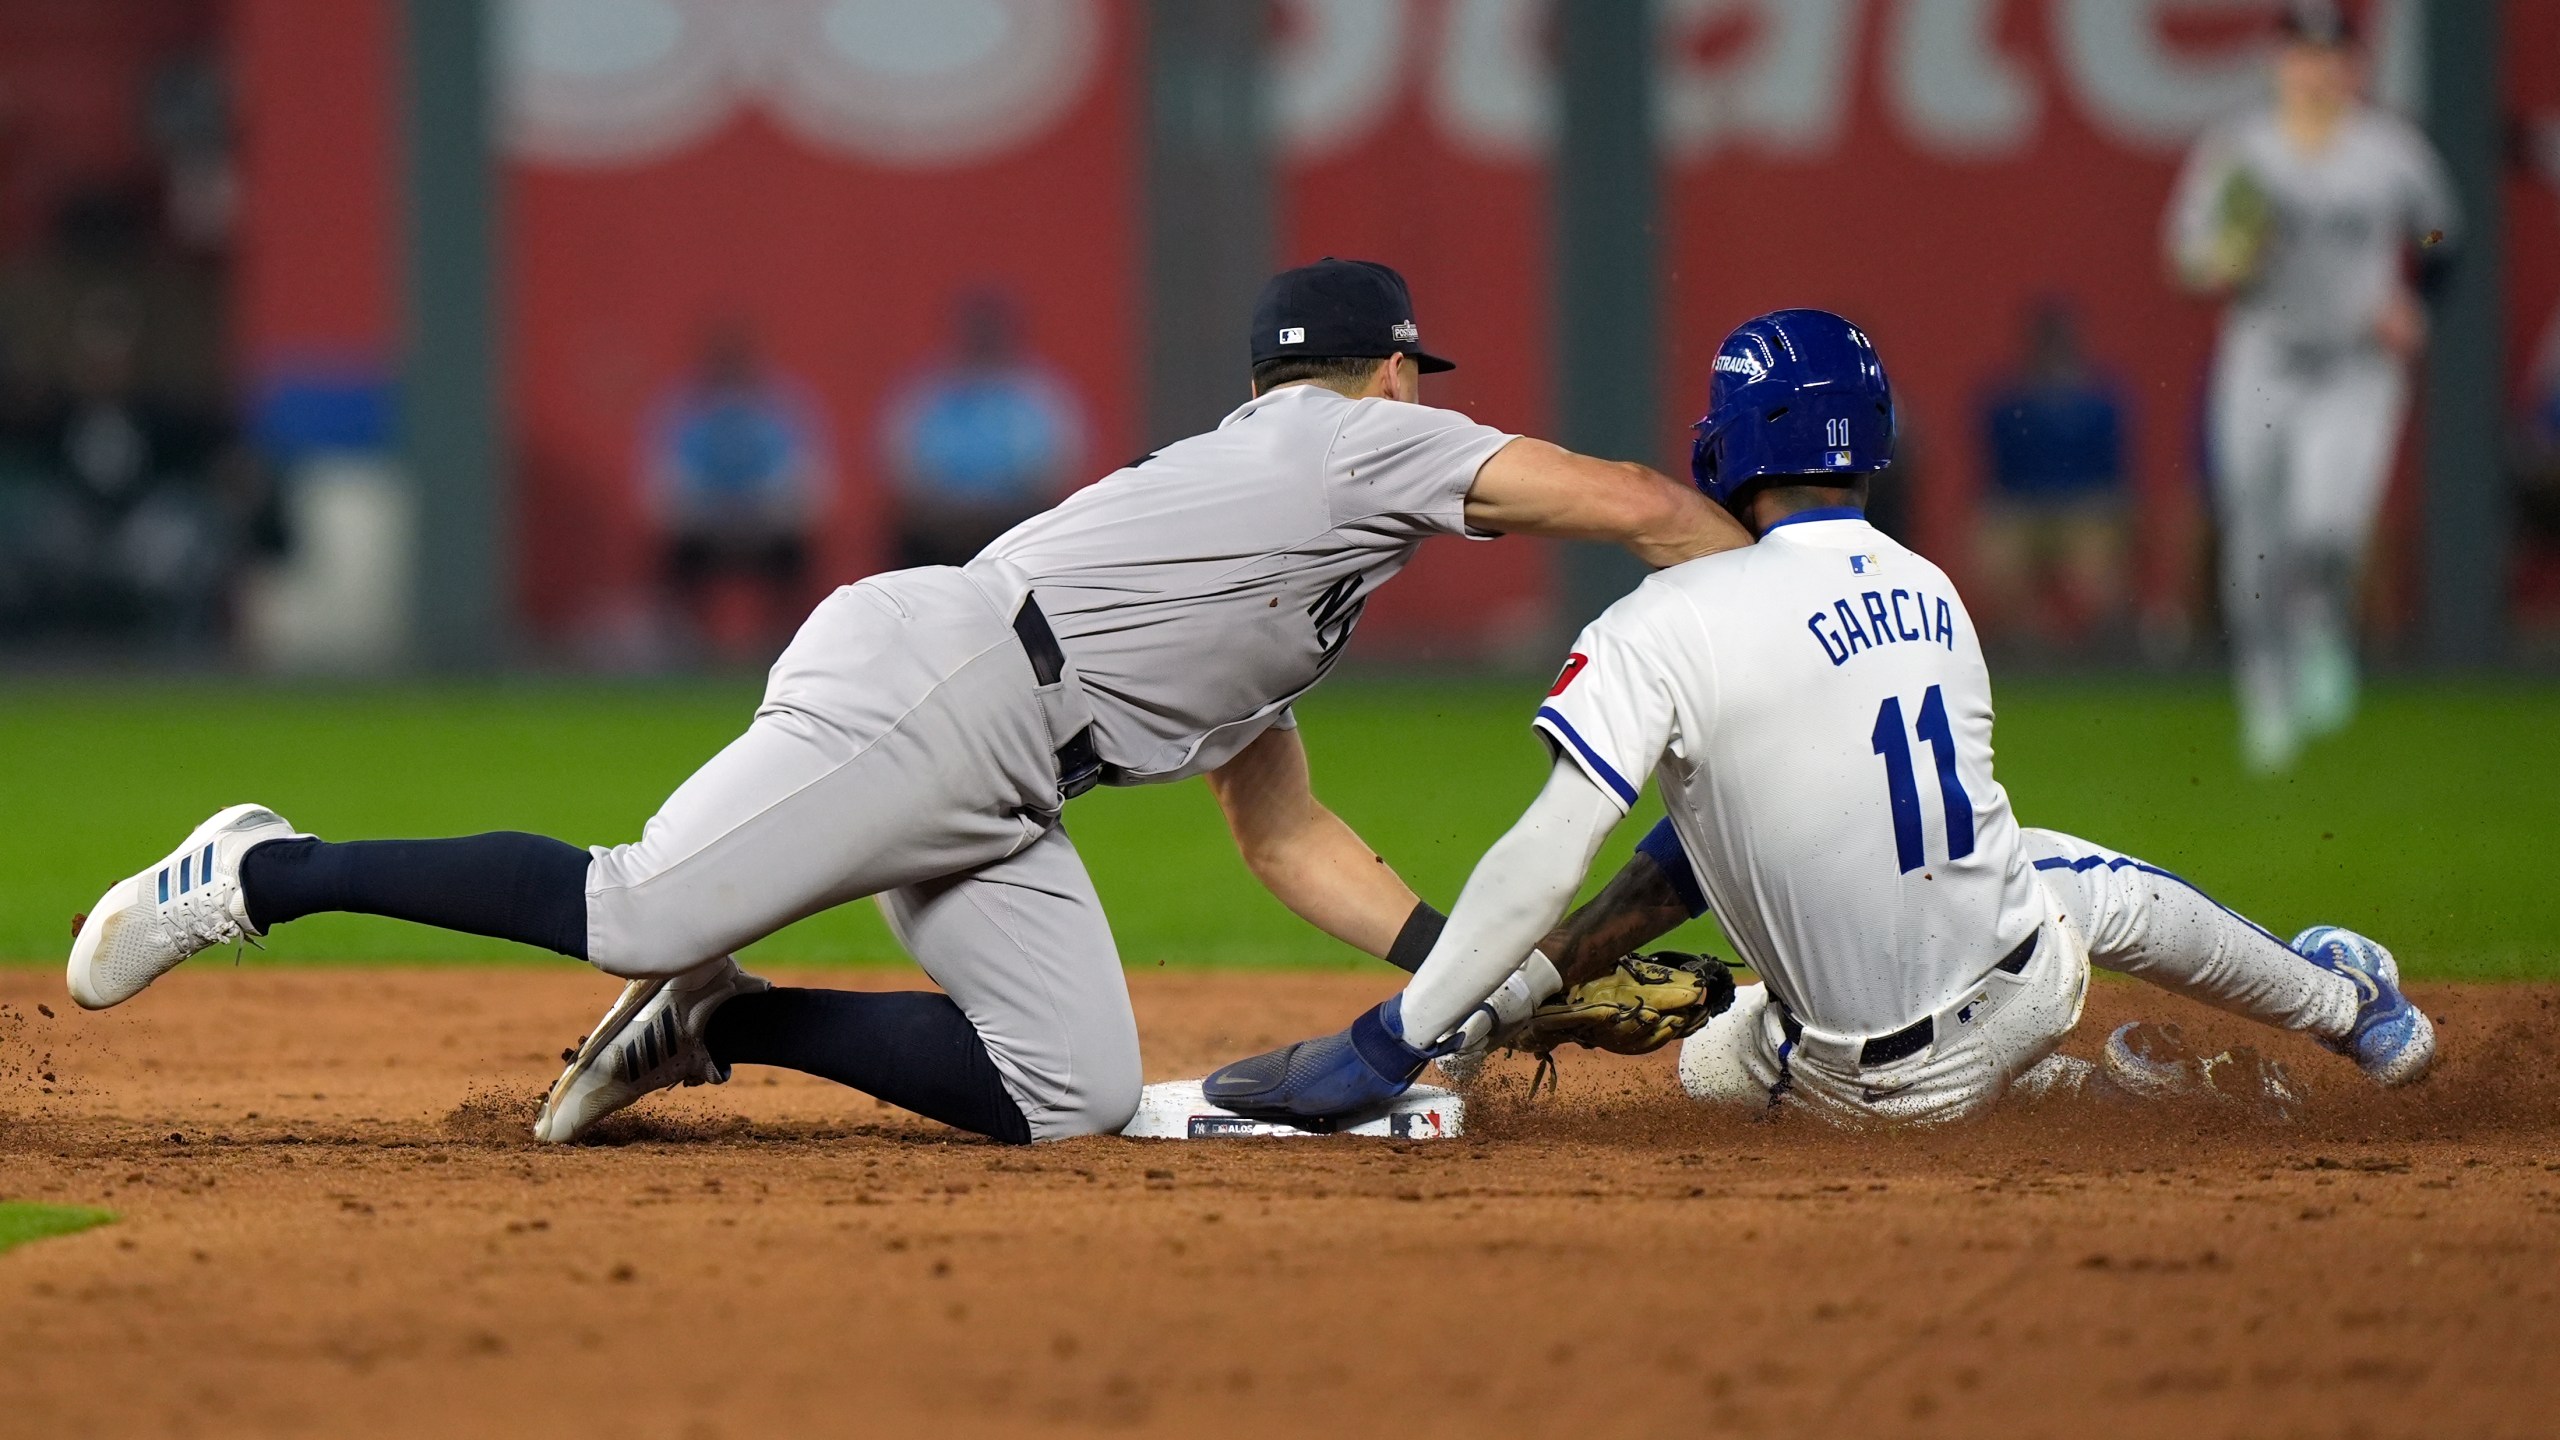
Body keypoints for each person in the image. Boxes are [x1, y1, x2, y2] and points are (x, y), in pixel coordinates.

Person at [63, 258, 1751, 1146]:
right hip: (944, 686)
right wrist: (1769, 579)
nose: (1420, 402)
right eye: (1413, 374)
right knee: (639, 901)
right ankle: (252, 872)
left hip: (1010, 770)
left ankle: (725, 1025)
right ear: (1392, 368)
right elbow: (1618, 495)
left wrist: (1475, 974)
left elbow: (1290, 835)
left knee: (1067, 1098)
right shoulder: (1354, 441)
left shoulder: (1278, 556)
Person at [1203, 309, 2432, 1132]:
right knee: (2058, 873)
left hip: (1834, 1089)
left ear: (1724, 441)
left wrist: (1457, 1012)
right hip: (2016, 990)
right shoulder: (1931, 588)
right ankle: (2349, 1009)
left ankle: (2086, 1078)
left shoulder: (1661, 618)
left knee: (1714, 1042)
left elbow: (1573, 846)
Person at [2164, 0, 2458, 773]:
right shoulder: (2242, 153)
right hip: (2266, 354)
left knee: (2328, 526)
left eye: (2332, 56)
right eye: (2301, 53)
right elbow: (2191, 258)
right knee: (2253, 535)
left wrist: (2414, 299)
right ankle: (2264, 689)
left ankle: (2322, 623)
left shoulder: (2389, 153)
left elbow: (2436, 230)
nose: (2316, 69)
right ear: (2278, 62)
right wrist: (2224, 257)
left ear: (2355, 68)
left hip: (2357, 362)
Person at [646, 323, 828, 655]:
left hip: (768, 525)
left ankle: (790, 646)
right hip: (704, 527)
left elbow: (803, 477)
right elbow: (666, 481)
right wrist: (715, 511)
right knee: (672, 555)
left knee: (798, 552)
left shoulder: (781, 409)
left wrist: (758, 511)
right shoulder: (683, 411)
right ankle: (685, 648)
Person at [883, 291, 1086, 569]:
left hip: (1013, 520)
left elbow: (1057, 468)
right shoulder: (927, 393)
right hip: (942, 525)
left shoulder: (1040, 394)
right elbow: (903, 465)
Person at [1974, 301, 2130, 650]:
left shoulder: (2099, 402)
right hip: (2024, 510)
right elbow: (1992, 478)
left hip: (2082, 509)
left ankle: (2103, 651)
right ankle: (2028, 650)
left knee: (2096, 556)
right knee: (2000, 548)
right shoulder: (2006, 401)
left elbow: (2115, 480)